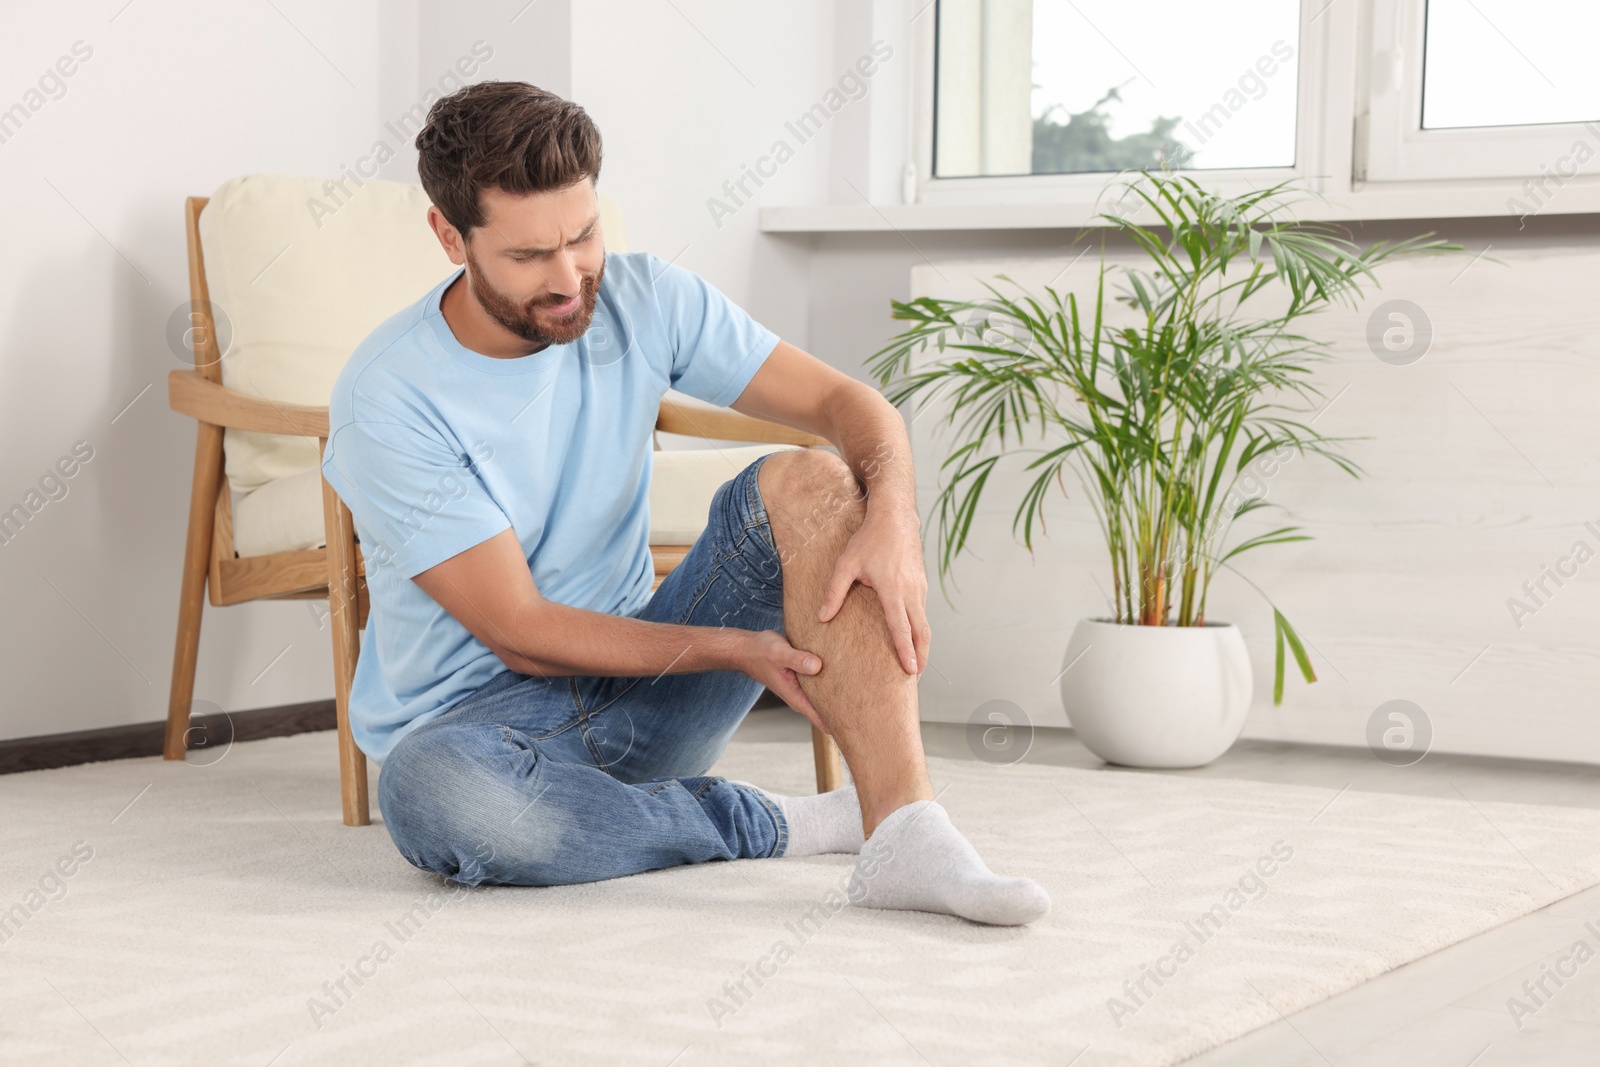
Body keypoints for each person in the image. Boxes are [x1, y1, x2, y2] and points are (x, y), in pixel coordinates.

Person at [320, 80, 1049, 927]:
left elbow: (852, 406)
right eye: (528, 257)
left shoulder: (645, 297)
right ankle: (788, 820)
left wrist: (893, 516)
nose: (568, 279)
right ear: (451, 236)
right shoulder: (388, 397)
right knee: (435, 795)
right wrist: (733, 649)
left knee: (814, 478)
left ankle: (905, 828)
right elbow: (520, 627)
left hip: (648, 697)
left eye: (583, 235)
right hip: (481, 729)